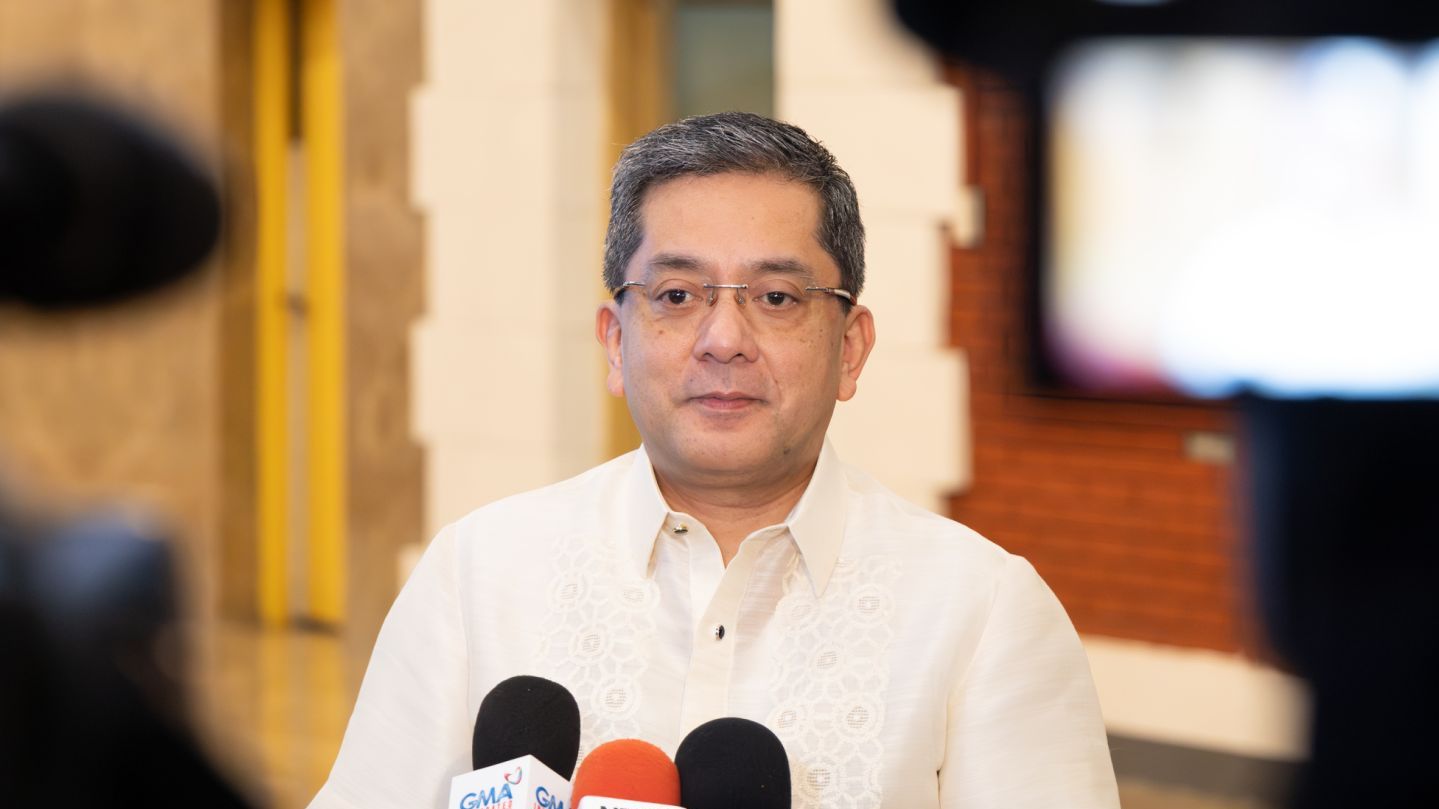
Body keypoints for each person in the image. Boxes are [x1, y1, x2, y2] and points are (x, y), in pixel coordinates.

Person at [311, 112, 1119, 809]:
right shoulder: (477, 574)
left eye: (776, 298)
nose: (724, 339)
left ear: (850, 347)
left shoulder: (981, 610)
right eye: (676, 295)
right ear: (614, 343)